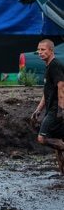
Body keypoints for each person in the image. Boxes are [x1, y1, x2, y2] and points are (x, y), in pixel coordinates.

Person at [30, 39, 64, 174]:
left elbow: (61, 87)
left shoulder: (55, 65)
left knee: (42, 138)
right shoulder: (48, 66)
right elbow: (47, 92)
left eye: (43, 50)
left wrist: (61, 110)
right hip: (51, 109)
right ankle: (62, 174)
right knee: (58, 144)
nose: (40, 52)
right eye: (39, 50)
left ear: (51, 50)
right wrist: (38, 110)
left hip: (56, 110)